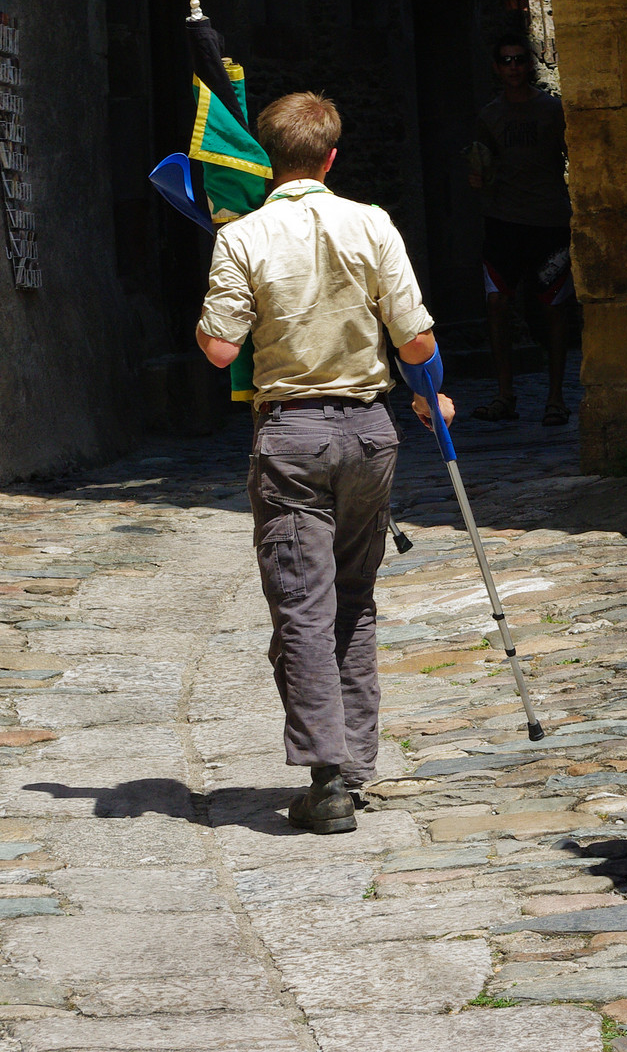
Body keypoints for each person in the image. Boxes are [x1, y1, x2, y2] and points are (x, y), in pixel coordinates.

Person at [197, 92, 454, 835]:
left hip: (292, 436)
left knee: (302, 607)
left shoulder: (242, 237)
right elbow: (414, 343)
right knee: (353, 596)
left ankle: (325, 776)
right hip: (369, 432)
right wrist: (431, 396)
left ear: (264, 158)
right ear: (331, 157)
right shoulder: (370, 222)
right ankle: (356, 762)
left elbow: (219, 350)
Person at [466, 33, 576, 426]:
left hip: (548, 220)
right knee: (497, 305)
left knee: (555, 307)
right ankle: (504, 393)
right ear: (497, 68)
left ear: (529, 65)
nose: (513, 67)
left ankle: (556, 396)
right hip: (503, 220)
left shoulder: (553, 110)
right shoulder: (489, 116)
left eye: (519, 60)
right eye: (506, 61)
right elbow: (481, 163)